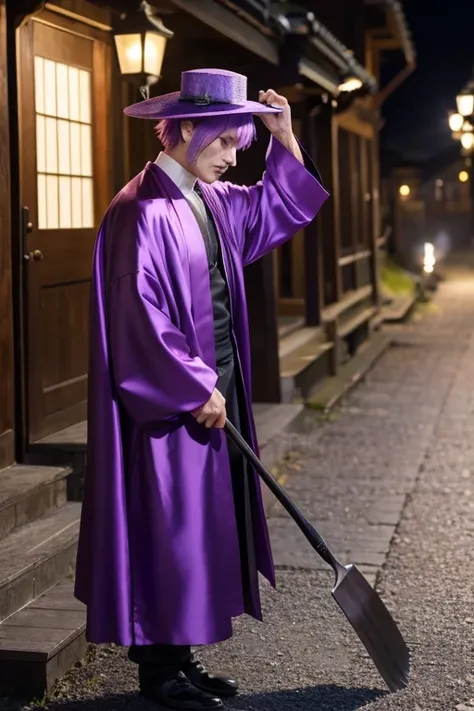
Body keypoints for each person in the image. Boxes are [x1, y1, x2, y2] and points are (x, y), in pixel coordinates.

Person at [74, 68, 329, 710]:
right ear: (187, 129)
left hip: (217, 390)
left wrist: (282, 138)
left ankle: (181, 661)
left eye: (239, 145)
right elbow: (139, 316)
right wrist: (193, 387)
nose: (231, 156)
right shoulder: (140, 210)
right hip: (171, 400)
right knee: (166, 525)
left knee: (196, 529)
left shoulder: (208, 199)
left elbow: (273, 208)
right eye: (223, 143)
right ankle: (158, 673)